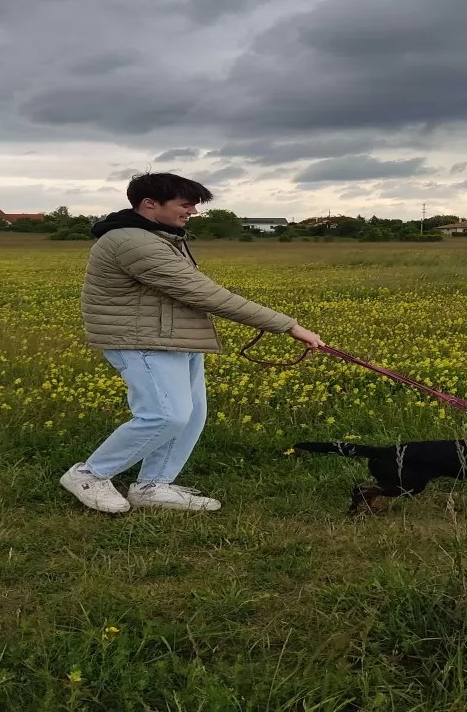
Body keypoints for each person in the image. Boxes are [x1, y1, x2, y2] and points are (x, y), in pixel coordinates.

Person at [59, 172, 323, 513]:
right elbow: (200, 291)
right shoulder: (131, 241)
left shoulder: (160, 236)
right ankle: (89, 475)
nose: (193, 213)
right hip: (143, 340)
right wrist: (288, 326)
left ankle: (153, 486)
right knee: (165, 416)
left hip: (173, 337)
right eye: (186, 205)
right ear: (150, 204)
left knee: (192, 414)